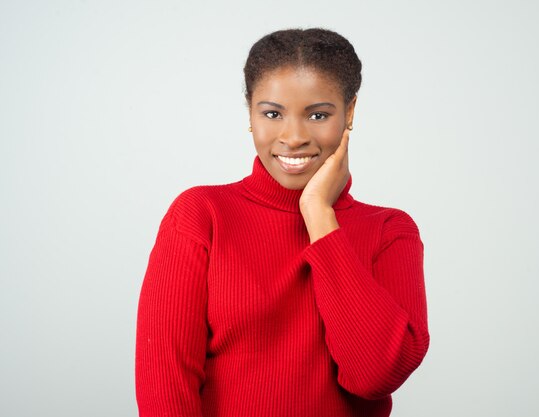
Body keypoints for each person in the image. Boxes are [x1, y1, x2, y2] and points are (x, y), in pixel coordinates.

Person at [135, 28, 429, 417]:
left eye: (318, 115)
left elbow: (374, 376)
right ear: (250, 113)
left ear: (351, 111)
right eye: (272, 114)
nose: (293, 137)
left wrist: (320, 215)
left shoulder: (391, 232)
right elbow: (165, 390)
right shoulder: (201, 216)